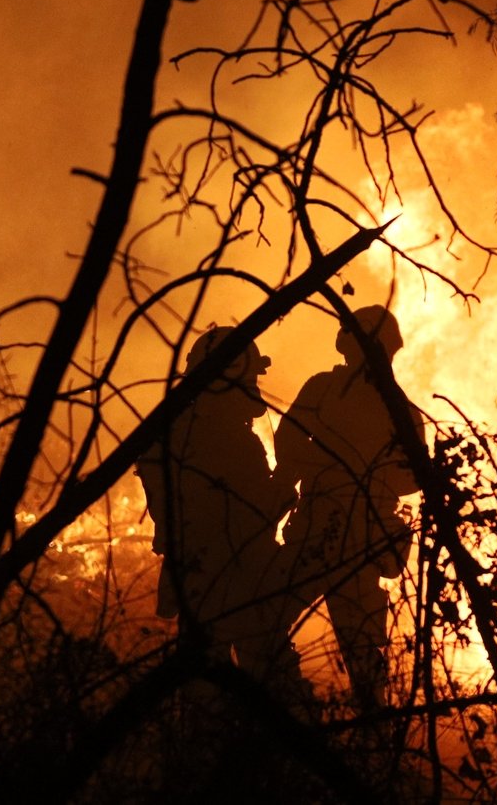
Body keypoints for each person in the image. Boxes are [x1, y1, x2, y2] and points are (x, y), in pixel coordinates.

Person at [273, 305, 422, 712]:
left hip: (358, 536)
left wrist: (364, 476)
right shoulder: (327, 390)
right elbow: (287, 443)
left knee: (357, 648)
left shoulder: (399, 409)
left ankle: (364, 733)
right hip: (323, 528)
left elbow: (415, 475)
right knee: (269, 620)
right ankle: (291, 708)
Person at [136, 326, 302, 689]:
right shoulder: (226, 439)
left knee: (203, 690)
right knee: (277, 692)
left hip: (197, 578)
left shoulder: (176, 432)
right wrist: (287, 482)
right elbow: (250, 514)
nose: (255, 385)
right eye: (251, 375)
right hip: (241, 580)